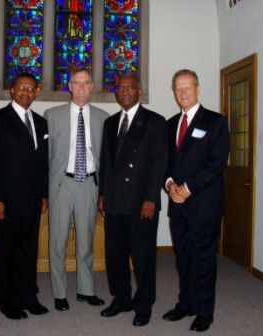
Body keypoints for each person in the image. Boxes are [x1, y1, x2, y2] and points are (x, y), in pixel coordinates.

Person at [163, 69, 230, 332]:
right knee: (183, 259)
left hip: (204, 205)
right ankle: (186, 304)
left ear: (198, 89)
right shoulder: (169, 125)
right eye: (178, 88)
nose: (182, 93)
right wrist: (169, 185)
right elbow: (165, 164)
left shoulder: (215, 122)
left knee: (203, 259)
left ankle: (204, 312)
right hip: (177, 206)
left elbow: (216, 164)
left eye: (187, 87)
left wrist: (188, 187)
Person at [98, 74, 167, 327]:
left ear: (140, 91)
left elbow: (160, 163)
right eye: (121, 87)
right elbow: (106, 163)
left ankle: (144, 303)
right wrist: (103, 194)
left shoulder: (155, 122)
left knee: (143, 256)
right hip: (115, 200)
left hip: (142, 203)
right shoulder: (110, 123)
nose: (125, 91)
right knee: (114, 254)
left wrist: (151, 198)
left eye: (130, 87)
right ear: (116, 93)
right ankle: (121, 298)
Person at [0, 73, 49, 320]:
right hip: (5, 202)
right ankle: (8, 301)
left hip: (32, 201)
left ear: (37, 91)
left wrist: (43, 194)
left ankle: (29, 296)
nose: (26, 93)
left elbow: (41, 163)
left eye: (31, 89)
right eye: (21, 88)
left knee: (29, 251)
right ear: (12, 90)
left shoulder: (40, 123)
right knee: (6, 252)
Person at [44, 68, 108, 312]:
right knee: (57, 241)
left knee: (86, 242)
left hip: (89, 185)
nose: (81, 87)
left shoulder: (103, 118)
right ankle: (60, 293)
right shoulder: (52, 115)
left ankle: (86, 290)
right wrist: (43, 191)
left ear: (91, 86)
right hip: (61, 184)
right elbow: (44, 158)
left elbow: (107, 158)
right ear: (69, 86)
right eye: (76, 83)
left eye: (86, 83)